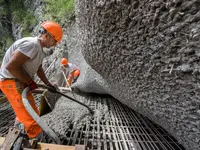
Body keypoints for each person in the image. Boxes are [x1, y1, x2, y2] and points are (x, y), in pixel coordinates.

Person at [0, 21, 63, 140]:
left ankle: (20, 134)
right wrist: (30, 82)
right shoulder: (32, 44)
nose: (55, 44)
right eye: (55, 40)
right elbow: (11, 66)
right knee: (31, 118)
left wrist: (48, 84)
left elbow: (39, 69)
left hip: (20, 82)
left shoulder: (39, 49)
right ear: (47, 35)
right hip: (11, 82)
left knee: (27, 111)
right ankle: (40, 141)